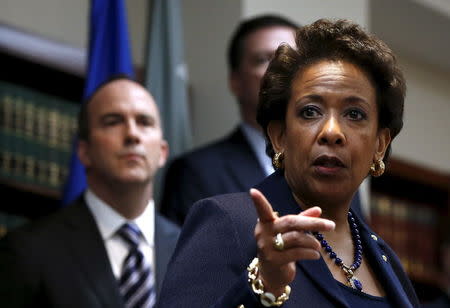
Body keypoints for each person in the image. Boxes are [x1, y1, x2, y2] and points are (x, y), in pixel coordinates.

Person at [157, 19, 420, 307]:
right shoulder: (228, 222)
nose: (332, 132)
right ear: (280, 136)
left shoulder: (385, 259)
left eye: (355, 114)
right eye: (310, 111)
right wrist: (264, 287)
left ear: (379, 145)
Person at [0, 77, 180, 307]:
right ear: (84, 151)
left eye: (144, 122)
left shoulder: (199, 253)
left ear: (163, 152)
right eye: (113, 121)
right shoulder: (26, 252)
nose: (132, 134)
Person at [159, 15, 299, 225]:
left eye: (292, 59)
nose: (281, 70)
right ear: (235, 82)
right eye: (264, 59)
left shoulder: (334, 164)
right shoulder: (196, 172)